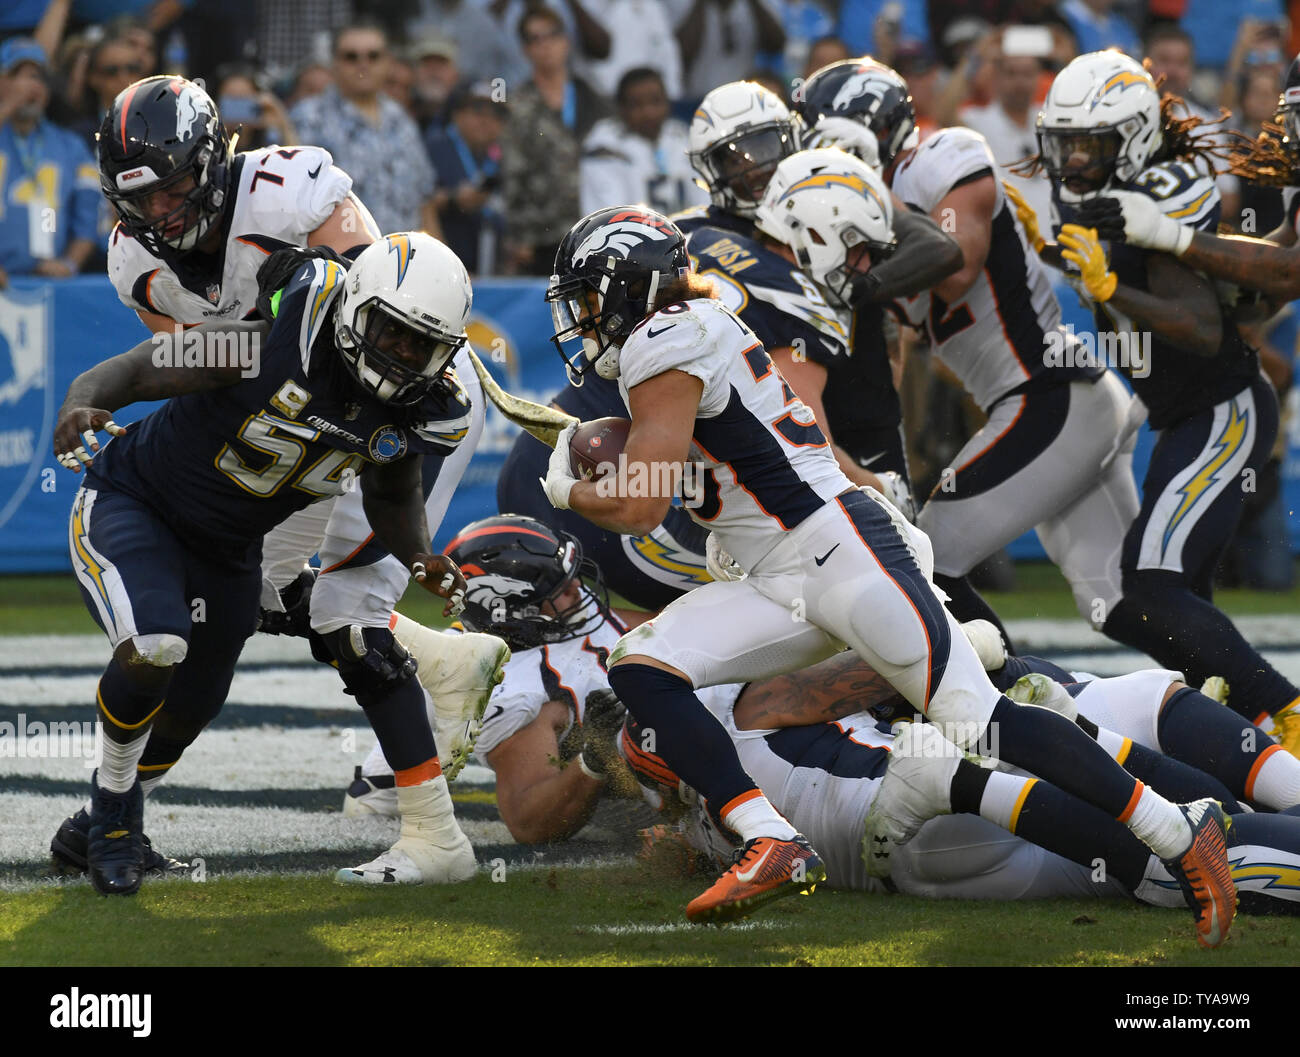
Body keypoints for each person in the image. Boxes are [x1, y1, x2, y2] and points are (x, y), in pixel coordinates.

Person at [537, 199, 1236, 944]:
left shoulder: (664, 334)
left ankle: (1178, 828)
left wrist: (567, 489)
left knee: (980, 721)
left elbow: (643, 503)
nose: (583, 317)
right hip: (784, 572)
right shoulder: (689, 327)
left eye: (588, 296)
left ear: (628, 285)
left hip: (838, 552)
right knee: (643, 664)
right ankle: (772, 838)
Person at [49, 75, 510, 881]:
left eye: (175, 190)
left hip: (392, 375)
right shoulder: (147, 267)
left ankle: (434, 829)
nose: (160, 215)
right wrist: (97, 391)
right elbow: (193, 365)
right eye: (142, 200)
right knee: (254, 605)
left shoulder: (292, 199)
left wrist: (416, 537)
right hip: (297, 408)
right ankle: (440, 660)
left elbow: (382, 307)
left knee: (344, 608)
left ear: (214, 161)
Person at [802, 58, 1140, 653]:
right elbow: (894, 351)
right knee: (1121, 602)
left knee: (926, 560)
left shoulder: (942, 158)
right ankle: (1257, 707)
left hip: (1050, 394)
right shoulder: (859, 221)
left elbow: (953, 262)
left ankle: (1012, 705)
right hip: (1049, 404)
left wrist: (870, 223)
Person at [1028, 51, 1300, 749]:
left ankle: (1284, 713)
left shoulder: (1163, 190)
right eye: (1068, 143)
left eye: (1092, 143)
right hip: (1191, 415)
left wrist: (1127, 281)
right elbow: (1259, 288)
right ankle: (1239, 737)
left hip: (1221, 409)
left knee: (1148, 587)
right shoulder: (1102, 192)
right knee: (1163, 602)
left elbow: (1208, 329)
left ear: (1135, 136)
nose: (1077, 160)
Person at [289, 21, 440, 236]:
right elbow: (296, 203)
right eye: (351, 57)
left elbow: (425, 201)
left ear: (388, 62)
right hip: (341, 263)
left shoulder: (401, 118)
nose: (363, 64)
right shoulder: (308, 117)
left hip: (407, 260)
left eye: (373, 56)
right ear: (334, 64)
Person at [0, 38, 99, 286]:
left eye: (39, 78)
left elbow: (88, 216)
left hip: (48, 285)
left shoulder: (70, 146)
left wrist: (69, 264)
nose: (32, 85)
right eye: (18, 75)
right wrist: (6, 107)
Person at [580, 67, 707, 217]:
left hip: (689, 235)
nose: (648, 112)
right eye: (636, 104)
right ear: (621, 108)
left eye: (655, 101)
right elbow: (609, 218)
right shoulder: (603, 148)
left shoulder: (682, 136)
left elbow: (705, 204)